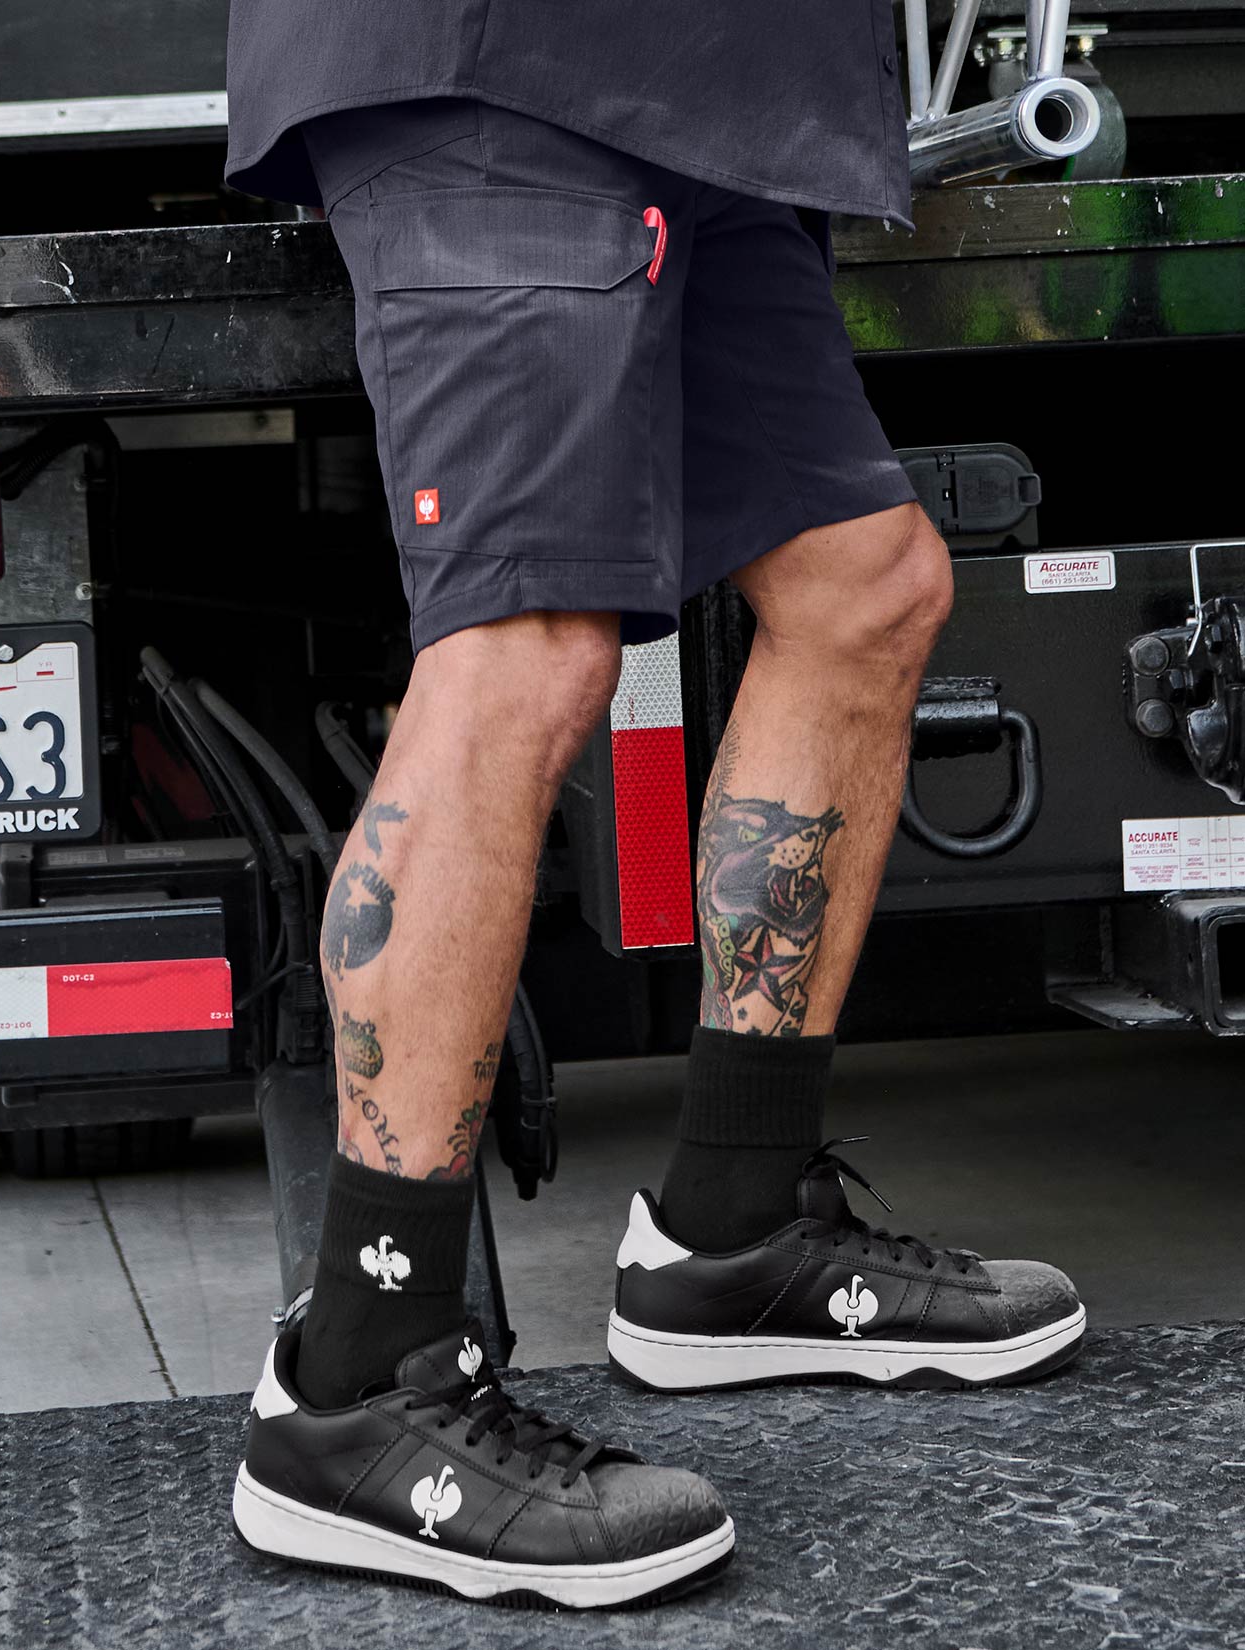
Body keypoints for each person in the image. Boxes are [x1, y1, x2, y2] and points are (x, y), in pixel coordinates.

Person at [223, 2, 1085, 1609]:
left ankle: (734, 1233)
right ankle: (355, 1372)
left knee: (863, 586)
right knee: (524, 644)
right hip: (509, 68)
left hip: (709, 93)